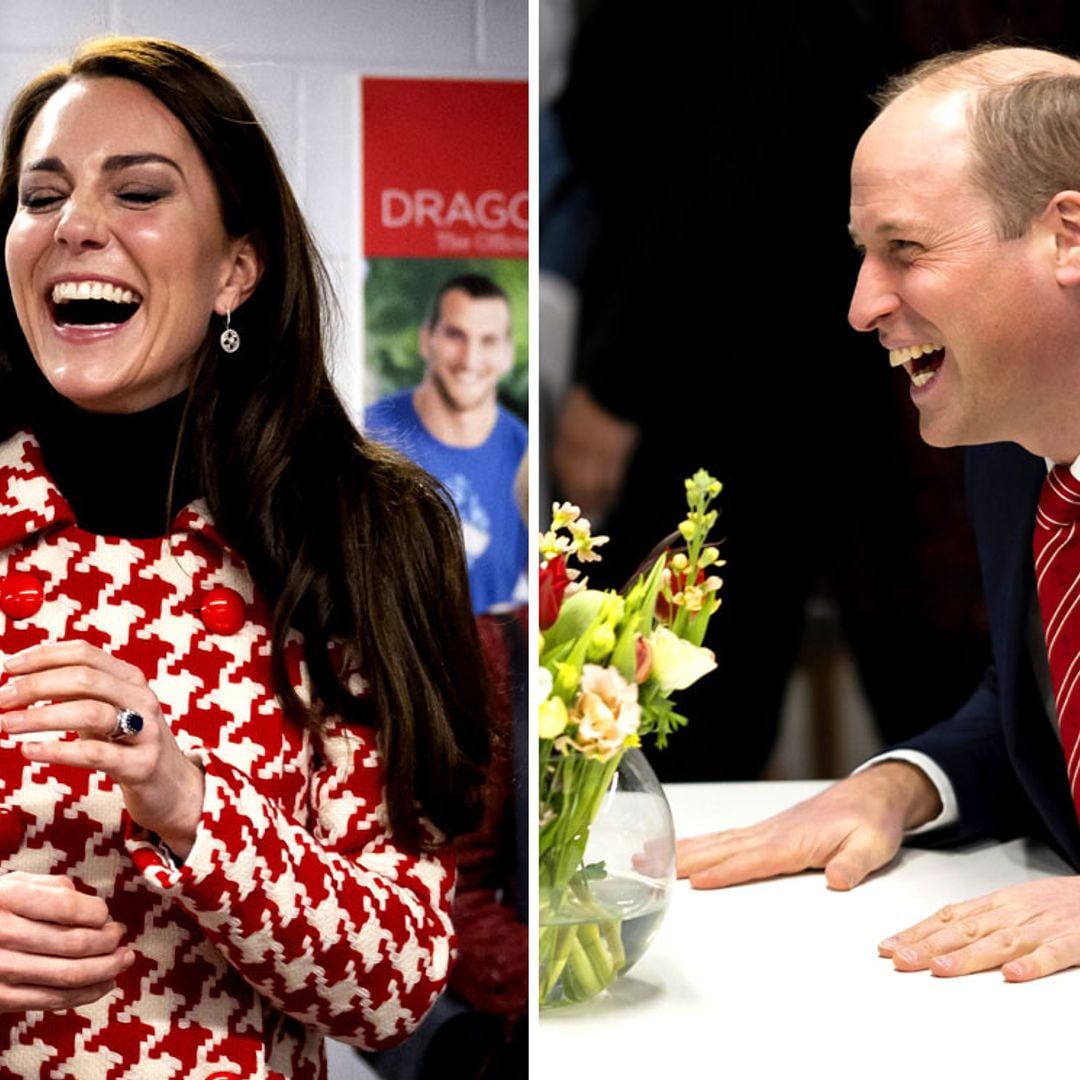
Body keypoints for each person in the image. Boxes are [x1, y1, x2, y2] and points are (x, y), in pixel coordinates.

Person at [0, 36, 489, 1079]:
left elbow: (400, 984)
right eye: (40, 197)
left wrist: (186, 803)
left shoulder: (364, 533)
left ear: (236, 269)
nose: (74, 226)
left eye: (136, 192)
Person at [677, 42, 1080, 983]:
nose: (862, 306)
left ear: (1068, 237)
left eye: (905, 249)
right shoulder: (1011, 457)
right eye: (864, 254)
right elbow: (1043, 705)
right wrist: (898, 787)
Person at [365, 275, 527, 615]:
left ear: (507, 354)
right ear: (427, 340)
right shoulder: (367, 435)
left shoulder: (525, 453)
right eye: (456, 335)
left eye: (488, 340)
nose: (470, 358)